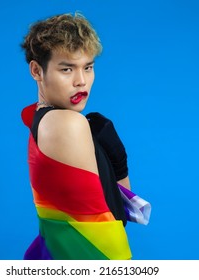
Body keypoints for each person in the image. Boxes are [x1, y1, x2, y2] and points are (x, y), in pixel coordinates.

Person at [20, 12, 150, 260]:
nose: (82, 81)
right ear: (37, 70)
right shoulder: (68, 122)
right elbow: (110, 224)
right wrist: (119, 166)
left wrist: (115, 165)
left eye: (88, 67)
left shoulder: (40, 119)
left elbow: (112, 215)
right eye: (67, 69)